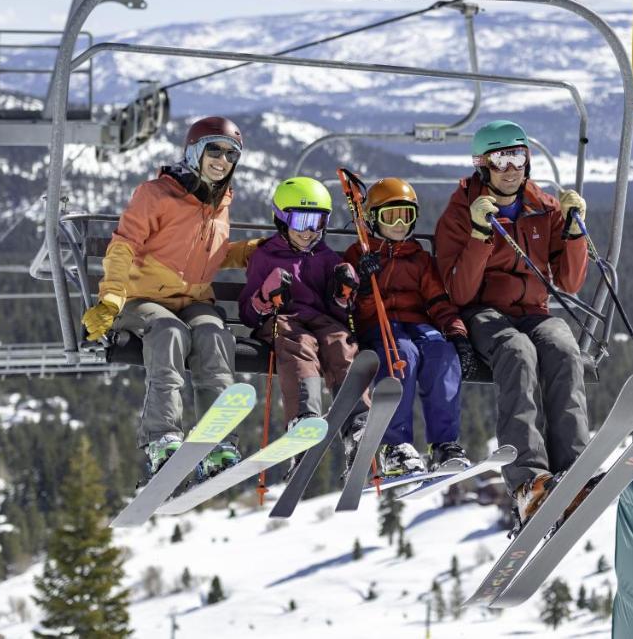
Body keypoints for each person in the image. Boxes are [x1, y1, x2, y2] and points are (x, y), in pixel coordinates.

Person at [80, 116, 260, 483]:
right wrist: (112, 299)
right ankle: (161, 437)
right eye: (214, 149)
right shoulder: (156, 194)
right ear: (194, 151)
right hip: (143, 298)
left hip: (194, 300)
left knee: (214, 337)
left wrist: (256, 252)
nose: (222, 160)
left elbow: (207, 253)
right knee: (170, 333)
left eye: (231, 154)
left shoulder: (219, 203)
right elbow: (123, 246)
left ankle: (218, 442)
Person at [434, 119, 591, 523]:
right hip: (484, 311)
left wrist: (574, 231)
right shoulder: (459, 214)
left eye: (518, 156)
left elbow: (570, 282)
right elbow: (460, 292)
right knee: (517, 352)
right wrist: (478, 235)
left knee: (563, 348)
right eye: (501, 158)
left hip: (535, 311)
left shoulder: (545, 209)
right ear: (482, 165)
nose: (511, 167)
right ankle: (527, 480)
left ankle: (572, 469)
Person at [341, 177, 476, 477]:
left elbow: (439, 301)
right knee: (401, 354)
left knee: (442, 354)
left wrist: (457, 332)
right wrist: (362, 284)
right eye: (391, 216)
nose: (400, 223)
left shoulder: (420, 259)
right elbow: (349, 307)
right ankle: (395, 445)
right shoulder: (358, 255)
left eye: (407, 215)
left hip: (418, 324)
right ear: (373, 219)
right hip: (378, 326)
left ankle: (444, 443)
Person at [239, 177, 366, 467]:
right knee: (299, 343)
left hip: (319, 321)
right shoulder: (265, 256)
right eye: (300, 221)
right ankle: (304, 419)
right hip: (281, 320)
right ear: (283, 220)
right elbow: (248, 313)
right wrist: (264, 296)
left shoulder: (326, 257)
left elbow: (337, 315)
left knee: (340, 342)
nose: (309, 231)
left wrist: (343, 295)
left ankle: (357, 422)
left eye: (317, 222)